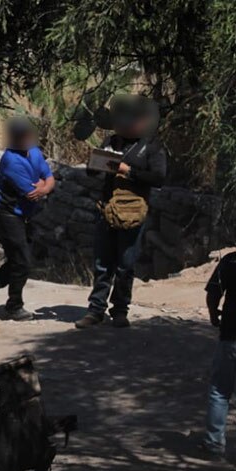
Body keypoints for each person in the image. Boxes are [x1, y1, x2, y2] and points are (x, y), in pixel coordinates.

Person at [75, 96, 167, 329]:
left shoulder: (152, 146)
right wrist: (96, 163)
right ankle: (95, 310)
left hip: (133, 212)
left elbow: (158, 178)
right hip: (106, 209)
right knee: (102, 263)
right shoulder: (111, 141)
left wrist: (128, 171)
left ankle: (120, 311)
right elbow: (92, 174)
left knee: (126, 264)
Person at [0, 117, 55, 321]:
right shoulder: (11, 160)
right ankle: (12, 305)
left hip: (25, 216)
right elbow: (30, 192)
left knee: (21, 261)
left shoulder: (34, 152)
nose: (25, 139)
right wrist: (44, 186)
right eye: (20, 136)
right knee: (21, 261)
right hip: (7, 216)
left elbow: (49, 180)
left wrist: (45, 185)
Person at [202, 252, 236, 461]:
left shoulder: (230, 261)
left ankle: (214, 444)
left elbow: (213, 292)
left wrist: (214, 315)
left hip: (231, 336)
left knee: (220, 392)